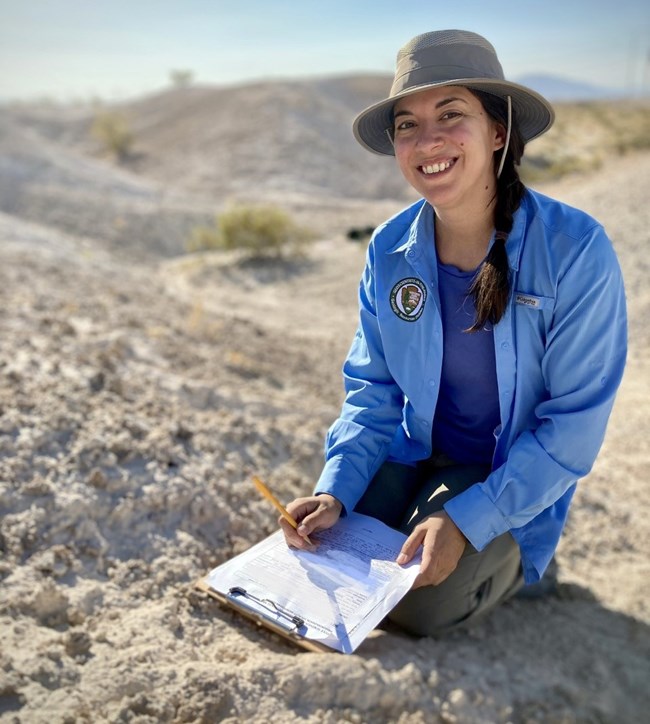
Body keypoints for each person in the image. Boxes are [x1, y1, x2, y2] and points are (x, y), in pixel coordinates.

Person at [279, 29, 627, 635]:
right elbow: (373, 392)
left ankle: (517, 563)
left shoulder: (575, 250)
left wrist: (468, 520)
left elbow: (572, 430)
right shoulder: (389, 248)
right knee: (321, 552)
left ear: (498, 132)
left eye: (451, 114)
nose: (428, 139)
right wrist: (333, 491)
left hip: (503, 471)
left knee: (416, 602)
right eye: (407, 124)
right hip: (412, 451)